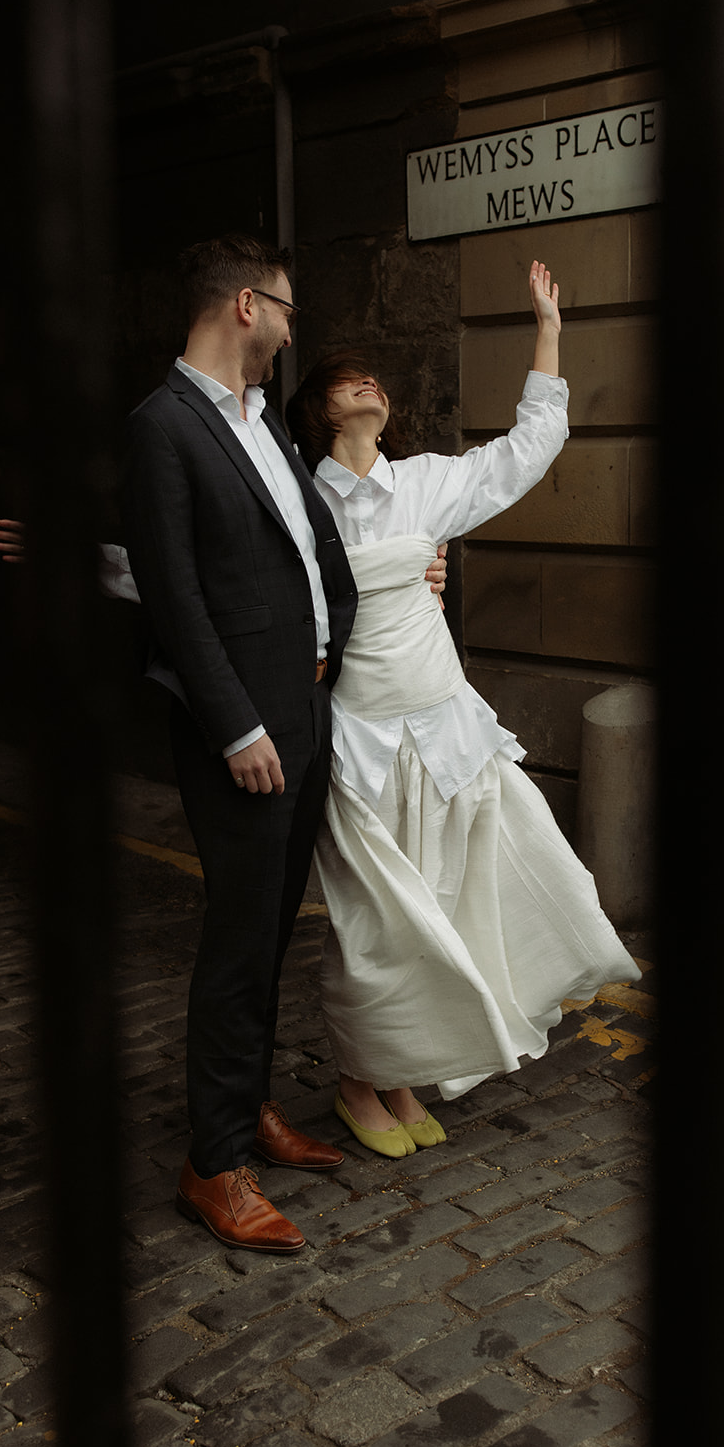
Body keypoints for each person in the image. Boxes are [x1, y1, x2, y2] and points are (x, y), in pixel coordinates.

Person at [105, 234, 446, 1254]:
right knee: (236, 944)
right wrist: (236, 724)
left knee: (271, 938)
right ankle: (212, 1167)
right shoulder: (162, 427)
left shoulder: (259, 423)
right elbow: (174, 594)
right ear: (245, 305)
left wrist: (384, 593)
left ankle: (247, 1111)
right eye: (289, 308)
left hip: (305, 707)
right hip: (243, 730)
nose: (298, 329)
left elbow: (307, 550)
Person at [283, 260, 639, 1157]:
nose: (369, 384)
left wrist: (547, 329)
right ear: (323, 410)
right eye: (345, 379)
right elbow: (210, 576)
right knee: (379, 920)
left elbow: (526, 450)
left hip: (445, 728)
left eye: (373, 378)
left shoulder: (426, 483)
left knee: (442, 903)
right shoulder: (297, 500)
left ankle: (401, 1069)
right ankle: (361, 1079)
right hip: (361, 738)